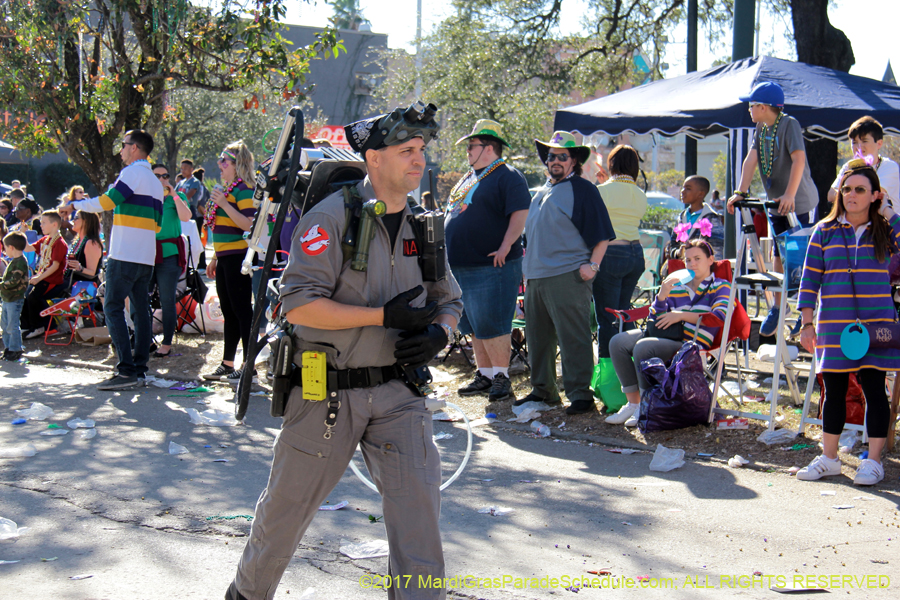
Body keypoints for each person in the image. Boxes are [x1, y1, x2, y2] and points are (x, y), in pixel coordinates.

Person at [224, 103, 462, 600]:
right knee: (284, 516)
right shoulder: (331, 218)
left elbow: (449, 299)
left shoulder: (424, 225)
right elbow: (300, 306)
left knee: (419, 525)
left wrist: (441, 332)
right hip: (327, 394)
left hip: (399, 393)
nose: (419, 162)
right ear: (374, 158)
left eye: (421, 151)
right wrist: (381, 317)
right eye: (407, 152)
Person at [796, 160, 899, 486]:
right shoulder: (823, 231)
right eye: (847, 189)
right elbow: (810, 280)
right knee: (834, 392)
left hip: (877, 323)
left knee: (874, 390)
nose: (852, 195)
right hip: (833, 325)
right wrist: (806, 323)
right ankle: (829, 459)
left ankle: (872, 461)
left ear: (875, 195)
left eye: (860, 190)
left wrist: (888, 213)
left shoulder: (886, 230)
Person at [516, 131, 615, 416]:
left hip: (567, 275)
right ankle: (543, 391)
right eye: (551, 156)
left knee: (573, 336)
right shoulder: (543, 190)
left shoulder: (583, 189)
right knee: (537, 338)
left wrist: (592, 266)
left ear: (574, 161)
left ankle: (580, 395)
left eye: (562, 156)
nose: (555, 161)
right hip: (535, 277)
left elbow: (603, 235)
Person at [60, 129, 164, 390]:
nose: (120, 149)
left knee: (112, 307)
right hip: (145, 256)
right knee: (141, 311)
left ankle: (126, 370)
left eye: (124, 144)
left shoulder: (132, 173)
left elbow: (108, 201)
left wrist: (76, 205)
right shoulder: (154, 181)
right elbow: (158, 226)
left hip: (125, 253)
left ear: (135, 148)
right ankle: (138, 369)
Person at [445, 119, 530, 403]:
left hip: (491, 265)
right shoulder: (470, 176)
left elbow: (519, 213)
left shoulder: (508, 176)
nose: (467, 151)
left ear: (489, 147)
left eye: (472, 146)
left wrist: (506, 245)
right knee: (474, 325)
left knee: (493, 323)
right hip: (461, 267)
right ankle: (485, 374)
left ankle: (502, 377)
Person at [727, 81, 818, 337]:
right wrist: (740, 191)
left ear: (764, 106)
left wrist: (790, 193)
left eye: (751, 105)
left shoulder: (788, 124)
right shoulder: (761, 127)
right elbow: (751, 159)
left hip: (798, 202)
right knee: (778, 251)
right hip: (778, 203)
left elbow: (799, 159)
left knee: (802, 256)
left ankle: (806, 313)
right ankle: (779, 307)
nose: (749, 110)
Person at [606, 239, 730, 426]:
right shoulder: (678, 285)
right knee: (617, 342)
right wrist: (662, 295)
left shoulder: (721, 286)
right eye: (688, 260)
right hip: (666, 334)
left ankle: (648, 405)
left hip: (692, 341)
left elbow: (719, 316)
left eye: (697, 258)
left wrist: (680, 315)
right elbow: (655, 317)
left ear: (711, 260)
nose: (692, 264)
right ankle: (633, 404)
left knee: (643, 347)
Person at [201, 141, 256, 382]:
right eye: (220, 160)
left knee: (243, 311)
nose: (220, 165)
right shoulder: (230, 188)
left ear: (237, 164)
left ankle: (249, 367)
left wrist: (223, 203)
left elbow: (249, 225)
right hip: (224, 257)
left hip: (238, 256)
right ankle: (227, 363)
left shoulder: (243, 189)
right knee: (229, 312)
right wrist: (215, 257)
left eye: (225, 161)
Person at [593, 145, 648, 362]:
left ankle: (609, 370)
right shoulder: (640, 194)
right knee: (625, 313)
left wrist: (603, 183)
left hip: (610, 254)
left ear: (611, 164)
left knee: (607, 318)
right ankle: (632, 362)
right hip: (635, 253)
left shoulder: (602, 191)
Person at [151, 164, 193, 358]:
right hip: (146, 254)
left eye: (165, 176)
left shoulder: (177, 198)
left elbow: (186, 217)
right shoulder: (146, 199)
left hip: (169, 255)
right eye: (157, 176)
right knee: (140, 298)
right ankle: (145, 339)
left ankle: (167, 343)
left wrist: (174, 193)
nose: (162, 179)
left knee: (166, 300)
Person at [827, 116, 900, 208]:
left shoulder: (889, 167)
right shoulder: (848, 166)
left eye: (865, 141)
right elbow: (831, 195)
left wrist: (845, 194)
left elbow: (874, 196)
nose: (859, 147)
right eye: (854, 142)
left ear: (879, 143)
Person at [20, 210, 68, 339]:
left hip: (51, 280)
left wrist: (39, 277)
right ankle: (25, 326)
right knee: (24, 295)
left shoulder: (60, 243)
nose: (41, 225)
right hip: (41, 277)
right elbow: (27, 248)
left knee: (33, 297)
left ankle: (39, 327)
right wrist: (23, 233)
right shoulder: (45, 240)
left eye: (44, 222)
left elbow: (55, 265)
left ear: (54, 224)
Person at [1, 231, 29, 361]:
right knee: (5, 325)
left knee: (12, 325)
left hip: (14, 299)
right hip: (7, 298)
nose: (5, 250)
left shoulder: (20, 262)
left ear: (11, 247)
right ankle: (8, 347)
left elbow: (14, 281)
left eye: (5, 247)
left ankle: (16, 348)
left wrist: (1, 284)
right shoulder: (14, 261)